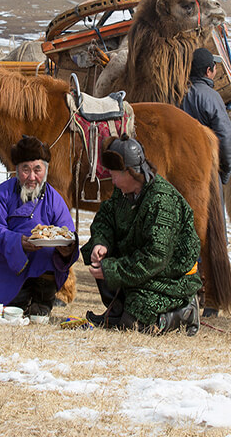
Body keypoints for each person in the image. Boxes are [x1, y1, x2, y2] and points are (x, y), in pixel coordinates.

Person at [81, 135, 202, 334]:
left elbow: (156, 257)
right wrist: (101, 243)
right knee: (99, 259)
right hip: (147, 272)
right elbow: (105, 219)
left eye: (114, 174)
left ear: (130, 172)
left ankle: (185, 312)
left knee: (136, 320)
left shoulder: (162, 201)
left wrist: (113, 270)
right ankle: (119, 309)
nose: (112, 179)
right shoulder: (123, 192)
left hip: (173, 276)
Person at [0, 136, 78, 316]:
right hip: (7, 261)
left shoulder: (54, 199)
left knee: (47, 257)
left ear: (46, 170)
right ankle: (21, 298)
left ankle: (41, 300)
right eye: (26, 169)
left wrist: (66, 248)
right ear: (16, 170)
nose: (32, 177)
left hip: (42, 264)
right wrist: (17, 242)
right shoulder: (3, 192)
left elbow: (67, 232)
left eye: (37, 169)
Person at [181, 47, 231, 186]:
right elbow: (226, 139)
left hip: (179, 166)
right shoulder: (212, 97)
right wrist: (224, 175)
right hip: (205, 171)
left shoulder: (176, 93)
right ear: (208, 71)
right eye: (214, 68)